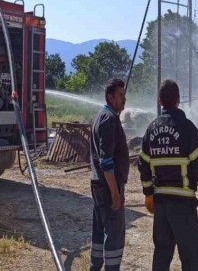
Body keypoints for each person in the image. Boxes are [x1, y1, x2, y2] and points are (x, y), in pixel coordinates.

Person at [138, 79, 198, 271]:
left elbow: (143, 165)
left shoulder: (151, 129)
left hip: (161, 205)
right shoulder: (187, 128)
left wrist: (148, 194)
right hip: (183, 205)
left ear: (160, 101)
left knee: (162, 255)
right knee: (190, 258)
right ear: (178, 100)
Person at [89, 78, 129, 271]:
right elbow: (106, 161)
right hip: (107, 186)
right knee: (114, 235)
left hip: (98, 185)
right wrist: (115, 192)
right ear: (110, 97)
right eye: (120, 95)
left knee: (99, 233)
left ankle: (94, 267)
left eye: (124, 95)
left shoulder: (100, 116)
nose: (124, 99)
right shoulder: (110, 120)